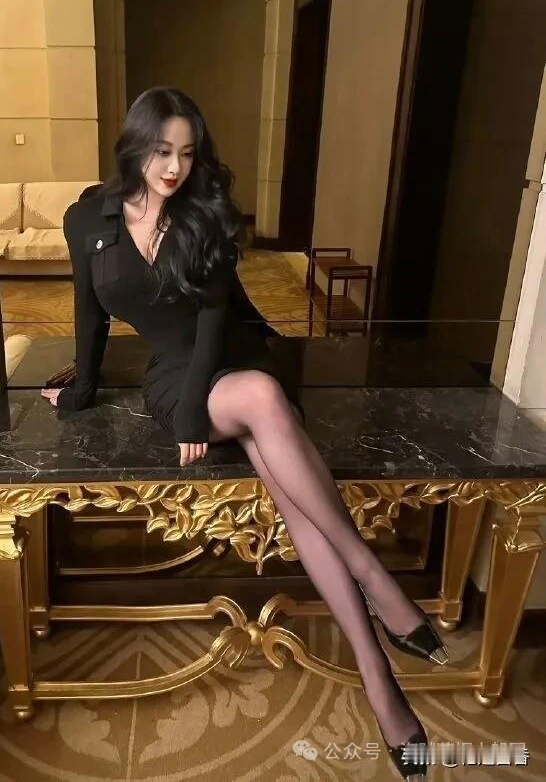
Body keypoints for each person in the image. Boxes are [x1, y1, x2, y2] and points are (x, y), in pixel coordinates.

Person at [41, 86, 445, 780]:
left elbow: (212, 322)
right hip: (177, 375)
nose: (174, 167)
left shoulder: (203, 212)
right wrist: (80, 392)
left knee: (292, 490)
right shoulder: (88, 218)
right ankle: (376, 579)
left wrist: (196, 412)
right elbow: (89, 315)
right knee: (262, 406)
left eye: (187, 153)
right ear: (135, 146)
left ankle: (381, 684)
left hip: (233, 354)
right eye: (162, 151)